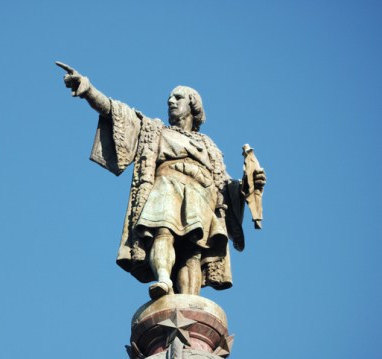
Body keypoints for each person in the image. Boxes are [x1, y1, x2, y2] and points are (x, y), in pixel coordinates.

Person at [56, 62, 266, 299]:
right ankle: (164, 279)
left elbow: (225, 187)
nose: (171, 101)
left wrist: (247, 186)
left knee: (193, 252)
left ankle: (190, 300)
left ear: (193, 105)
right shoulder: (155, 130)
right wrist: (89, 90)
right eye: (170, 98)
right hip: (166, 184)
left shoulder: (210, 148)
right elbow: (116, 113)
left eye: (178, 97)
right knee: (162, 230)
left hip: (201, 195)